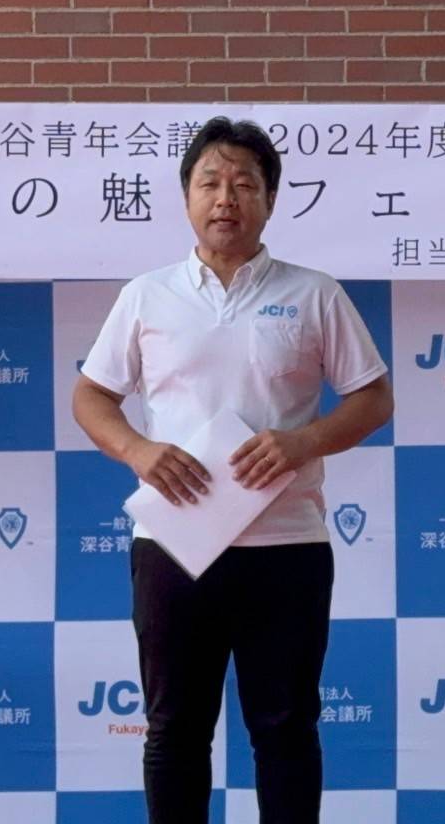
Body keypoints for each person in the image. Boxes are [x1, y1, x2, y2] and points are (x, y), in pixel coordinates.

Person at [72, 116, 394, 824]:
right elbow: (91, 397)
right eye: (210, 182)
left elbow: (373, 398)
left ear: (270, 200)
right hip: (174, 547)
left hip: (287, 546)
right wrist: (139, 450)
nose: (226, 198)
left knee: (285, 730)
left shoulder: (314, 293)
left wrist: (304, 442)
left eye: (244, 184)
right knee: (175, 732)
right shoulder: (147, 294)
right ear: (186, 196)